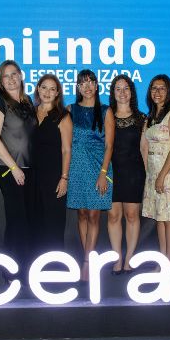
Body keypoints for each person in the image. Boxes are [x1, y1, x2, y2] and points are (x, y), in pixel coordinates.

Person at [0, 60, 37, 282]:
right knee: (17, 221)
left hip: (30, 169)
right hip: (10, 170)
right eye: (6, 76)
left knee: (27, 221)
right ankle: (10, 271)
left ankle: (25, 268)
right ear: (0, 81)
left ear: (21, 76)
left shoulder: (27, 102)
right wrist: (14, 168)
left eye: (14, 74)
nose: (11, 79)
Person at [66, 70, 114, 281]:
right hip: (76, 168)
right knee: (82, 214)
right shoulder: (70, 110)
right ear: (78, 87)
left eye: (90, 82)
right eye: (82, 83)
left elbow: (109, 145)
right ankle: (85, 255)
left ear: (96, 85)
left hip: (98, 168)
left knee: (94, 215)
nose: (87, 86)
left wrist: (103, 173)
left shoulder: (105, 111)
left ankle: (87, 262)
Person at [141, 75, 170, 271]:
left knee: (168, 220)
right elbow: (144, 146)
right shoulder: (150, 117)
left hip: (168, 174)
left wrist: (161, 175)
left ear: (168, 92)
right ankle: (163, 261)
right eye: (154, 88)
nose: (157, 92)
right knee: (160, 218)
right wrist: (149, 173)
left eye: (162, 88)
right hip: (153, 174)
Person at [106, 75, 146, 275]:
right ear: (113, 93)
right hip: (111, 173)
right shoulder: (106, 116)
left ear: (132, 92)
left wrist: (149, 176)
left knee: (132, 216)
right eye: (118, 89)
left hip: (134, 174)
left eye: (126, 88)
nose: (122, 93)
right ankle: (117, 259)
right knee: (113, 216)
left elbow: (144, 149)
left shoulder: (142, 118)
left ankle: (129, 259)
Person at [32, 74, 72, 252]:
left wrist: (64, 178)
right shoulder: (29, 113)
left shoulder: (63, 116)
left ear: (57, 93)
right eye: (44, 87)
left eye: (52, 89)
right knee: (35, 223)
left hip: (54, 177)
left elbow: (67, 150)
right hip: (31, 177)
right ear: (38, 89)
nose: (47, 92)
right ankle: (35, 264)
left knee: (53, 224)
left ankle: (55, 264)